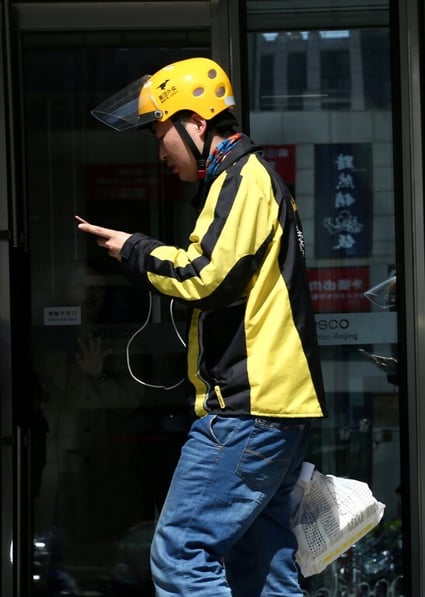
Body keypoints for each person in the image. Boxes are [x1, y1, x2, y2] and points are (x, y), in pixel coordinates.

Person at [79, 56, 326, 595]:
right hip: (274, 407)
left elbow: (203, 276)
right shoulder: (249, 180)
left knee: (180, 553)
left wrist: (133, 250)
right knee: (264, 570)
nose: (158, 147)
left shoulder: (243, 179)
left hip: (247, 408)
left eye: (159, 130)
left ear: (196, 121)